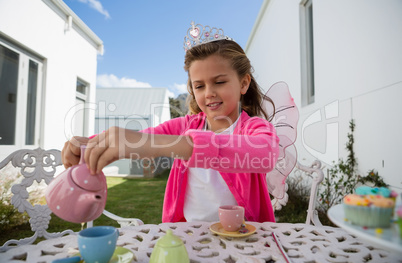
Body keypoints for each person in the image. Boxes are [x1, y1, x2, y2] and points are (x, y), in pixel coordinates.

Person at [62, 22, 280, 223]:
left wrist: (167, 145)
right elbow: (141, 138)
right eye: (199, 86)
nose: (209, 93)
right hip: (188, 237)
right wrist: (88, 145)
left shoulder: (254, 128)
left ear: (243, 83)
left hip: (245, 238)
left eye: (219, 82)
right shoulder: (184, 126)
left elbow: (264, 155)